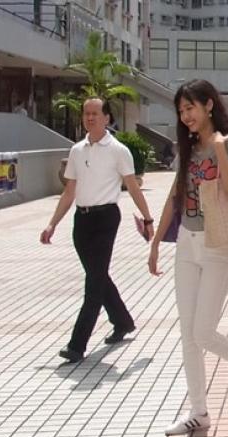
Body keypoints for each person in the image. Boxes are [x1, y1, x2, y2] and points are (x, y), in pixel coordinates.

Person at [148, 79, 228, 435]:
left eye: (191, 108)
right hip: (187, 242)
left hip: (219, 244)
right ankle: (199, 411)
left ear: (208, 106)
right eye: (181, 110)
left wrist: (218, 148)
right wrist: (157, 242)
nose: (186, 116)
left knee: (203, 331)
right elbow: (175, 196)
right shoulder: (185, 148)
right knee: (188, 333)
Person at [40, 98, 154, 363]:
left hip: (106, 219)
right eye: (86, 114)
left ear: (106, 118)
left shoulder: (118, 150)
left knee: (93, 284)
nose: (90, 118)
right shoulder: (78, 150)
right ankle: (122, 321)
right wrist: (52, 223)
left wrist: (148, 219)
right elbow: (69, 191)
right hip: (82, 221)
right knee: (98, 276)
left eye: (95, 114)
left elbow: (133, 186)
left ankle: (76, 345)